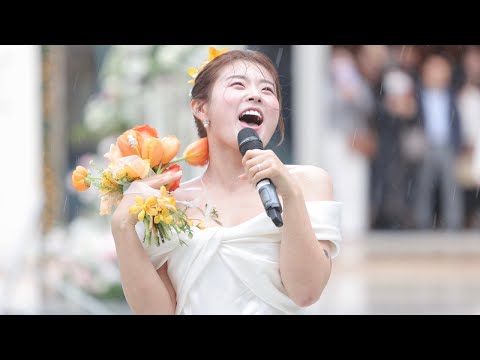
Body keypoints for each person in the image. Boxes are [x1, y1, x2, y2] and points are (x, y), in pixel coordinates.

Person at [110, 48, 342, 315]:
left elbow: (306, 292)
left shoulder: (308, 183)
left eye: (267, 90)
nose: (256, 94)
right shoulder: (168, 203)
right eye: (238, 85)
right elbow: (158, 311)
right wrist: (122, 228)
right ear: (200, 108)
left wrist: (290, 195)